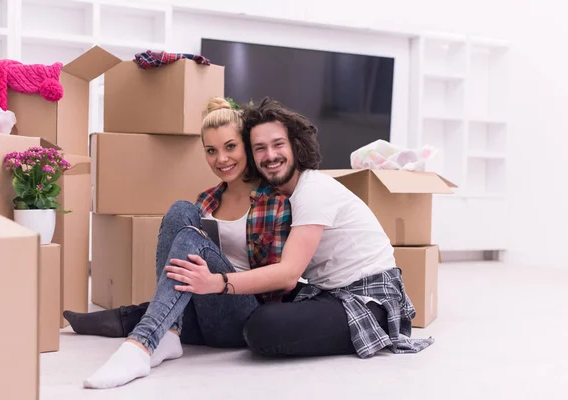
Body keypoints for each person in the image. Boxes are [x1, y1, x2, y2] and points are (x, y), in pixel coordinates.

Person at [163, 97, 434, 358]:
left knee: (262, 326)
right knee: (252, 308)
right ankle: (151, 320)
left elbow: (288, 274)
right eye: (259, 148)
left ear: (296, 146)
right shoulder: (277, 197)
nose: (270, 156)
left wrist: (216, 282)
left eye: (278, 144)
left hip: (368, 297)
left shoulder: (311, 190)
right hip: (326, 292)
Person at [77, 97, 291, 389]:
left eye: (231, 147)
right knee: (180, 210)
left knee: (191, 236)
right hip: (197, 313)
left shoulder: (275, 202)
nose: (221, 160)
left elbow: (278, 282)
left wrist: (219, 280)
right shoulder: (206, 200)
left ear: (247, 145)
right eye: (211, 151)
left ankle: (142, 343)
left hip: (241, 316)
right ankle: (169, 334)